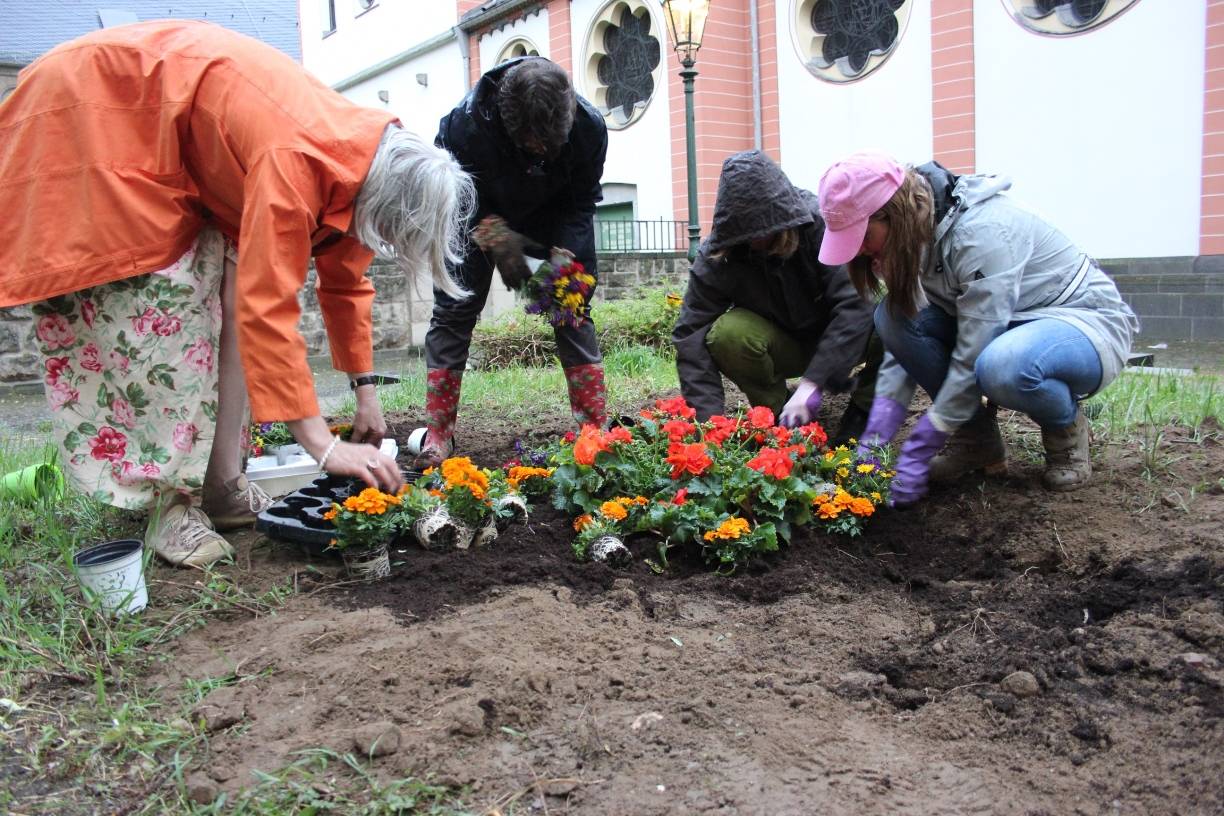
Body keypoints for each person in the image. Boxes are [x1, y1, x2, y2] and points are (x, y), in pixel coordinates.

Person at [0, 21, 474, 567]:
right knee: (164, 313)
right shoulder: (297, 158)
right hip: (99, 113)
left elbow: (346, 284)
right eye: (391, 235)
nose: (384, 244)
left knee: (223, 285)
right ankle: (166, 508)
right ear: (386, 204)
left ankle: (222, 484)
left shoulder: (366, 169)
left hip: (171, 143)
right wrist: (323, 445)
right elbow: (266, 310)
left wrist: (366, 392)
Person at [816, 151, 1138, 505]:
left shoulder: (980, 233)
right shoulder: (917, 236)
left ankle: (1065, 428)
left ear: (893, 214)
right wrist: (878, 429)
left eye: (864, 236)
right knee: (891, 317)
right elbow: (902, 351)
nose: (860, 251)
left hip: (1078, 320)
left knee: (1002, 367)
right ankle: (978, 442)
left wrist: (930, 433)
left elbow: (974, 347)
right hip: (1007, 325)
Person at [418, 56, 609, 467]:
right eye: (530, 143)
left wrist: (566, 262)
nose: (541, 150)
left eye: (549, 145)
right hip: (474, 211)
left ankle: (595, 431)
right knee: (455, 308)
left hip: (554, 215)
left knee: (570, 307)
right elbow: (461, 202)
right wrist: (505, 252)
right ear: (508, 125)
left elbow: (581, 203)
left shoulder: (589, 127)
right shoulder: (462, 128)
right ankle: (438, 433)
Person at [672, 150, 879, 438]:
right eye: (746, 233)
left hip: (843, 339)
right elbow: (690, 333)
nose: (755, 240)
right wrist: (710, 425)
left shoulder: (818, 224)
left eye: (763, 231)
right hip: (784, 345)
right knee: (728, 334)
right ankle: (778, 417)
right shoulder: (722, 253)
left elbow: (855, 304)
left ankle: (864, 410)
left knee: (890, 321)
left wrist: (813, 383)